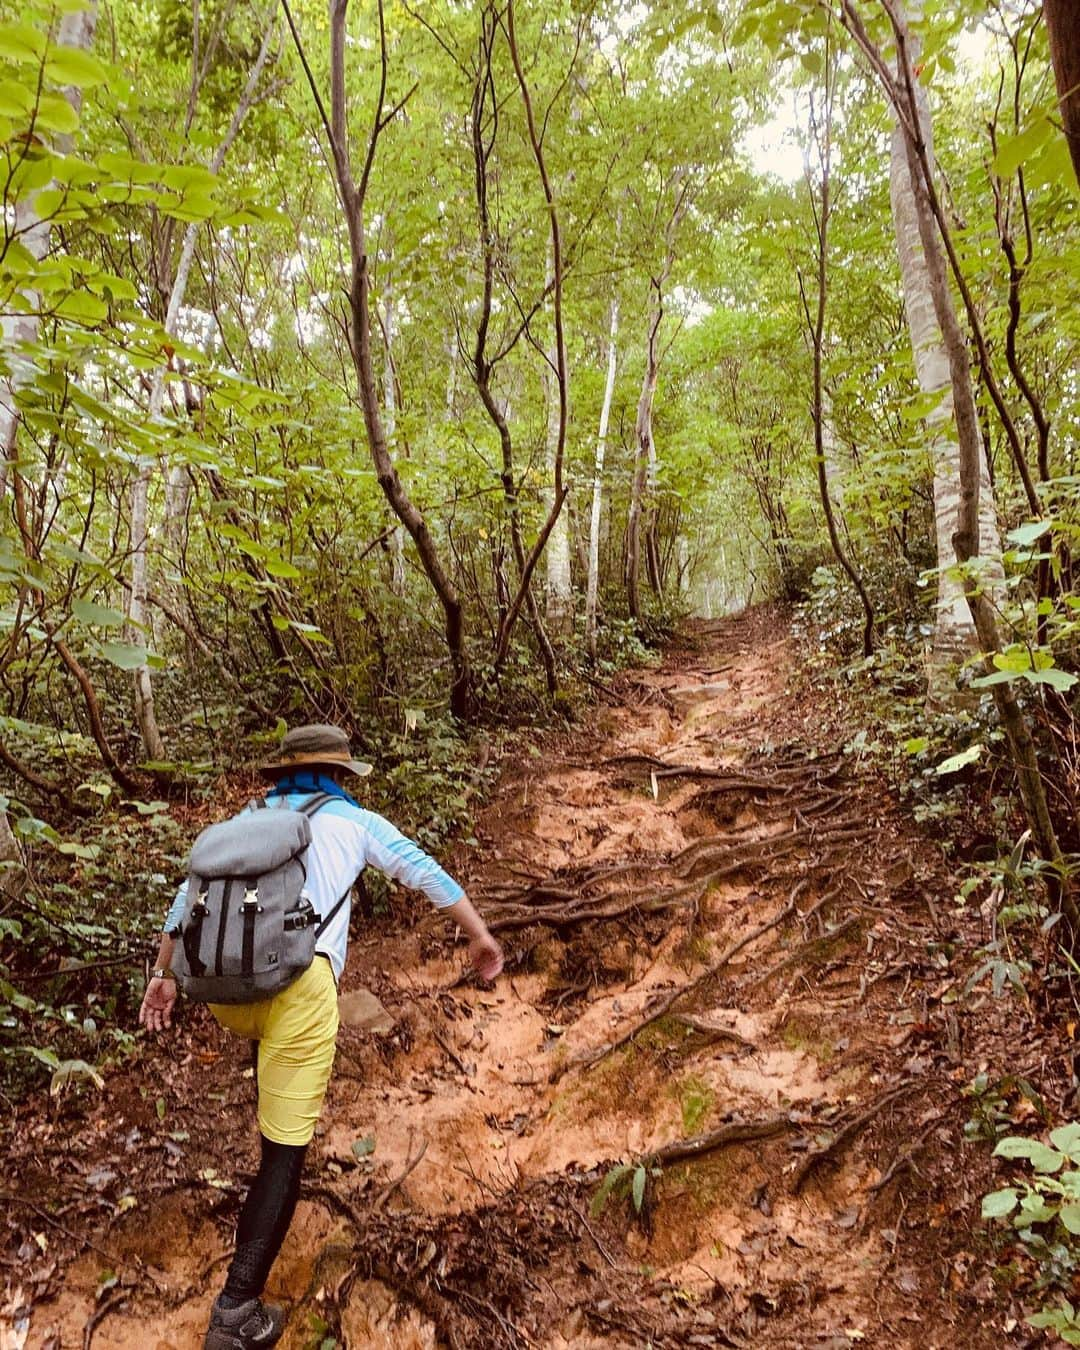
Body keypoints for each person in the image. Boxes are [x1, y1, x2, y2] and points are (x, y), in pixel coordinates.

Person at [139, 724, 504, 1350]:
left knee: (271, 1095)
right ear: (338, 774)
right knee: (285, 1155)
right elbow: (421, 869)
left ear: (283, 773)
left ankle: (267, 1128)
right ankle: (236, 1312)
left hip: (228, 996)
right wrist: (478, 934)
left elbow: (187, 896)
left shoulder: (247, 818)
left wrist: (162, 974)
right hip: (299, 995)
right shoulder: (355, 823)